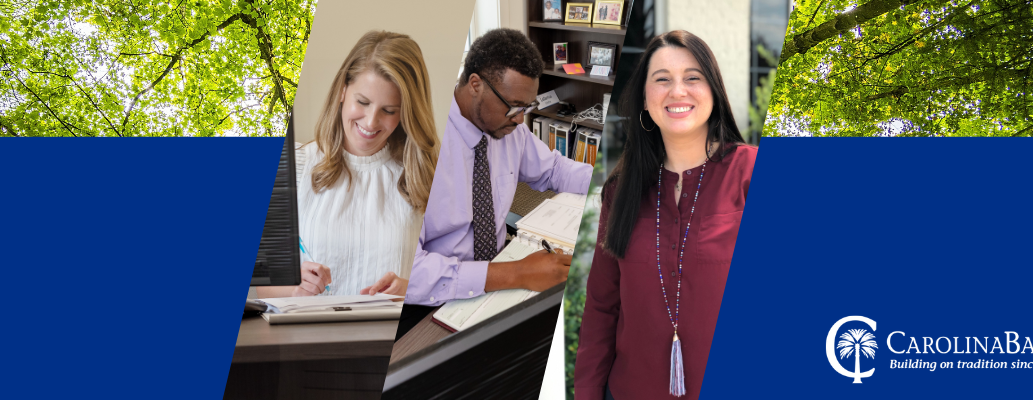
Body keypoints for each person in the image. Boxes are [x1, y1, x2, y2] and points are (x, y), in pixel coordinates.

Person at [573, 31, 756, 400]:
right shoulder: (621, 191)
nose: (678, 91)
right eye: (662, 79)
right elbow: (602, 306)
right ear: (645, 98)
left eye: (692, 77)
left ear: (713, 90)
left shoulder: (749, 171)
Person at [403, 28, 592, 322]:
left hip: (502, 264)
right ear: (475, 85)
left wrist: (609, 182)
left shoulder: (507, 129)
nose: (520, 119)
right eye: (514, 106)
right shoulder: (419, 144)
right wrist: (516, 273)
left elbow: (554, 169)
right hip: (435, 298)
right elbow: (408, 271)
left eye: (527, 107)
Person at [256, 31, 437, 298]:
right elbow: (264, 287)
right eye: (362, 102)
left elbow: (447, 277)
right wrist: (293, 286)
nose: (371, 122)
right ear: (342, 90)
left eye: (389, 110)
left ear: (407, 113)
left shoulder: (424, 176)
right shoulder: (295, 166)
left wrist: (411, 289)